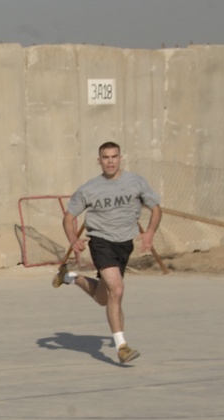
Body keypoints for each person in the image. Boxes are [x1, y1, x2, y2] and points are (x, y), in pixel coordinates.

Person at [54, 141, 162, 364]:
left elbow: (156, 208)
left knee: (105, 297)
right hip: (101, 242)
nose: (110, 161)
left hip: (124, 244)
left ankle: (70, 277)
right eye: (105, 157)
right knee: (118, 289)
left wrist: (150, 231)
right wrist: (73, 240)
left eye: (114, 156)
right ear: (99, 160)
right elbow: (68, 218)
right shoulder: (89, 189)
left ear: (120, 158)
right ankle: (122, 346)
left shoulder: (136, 182)